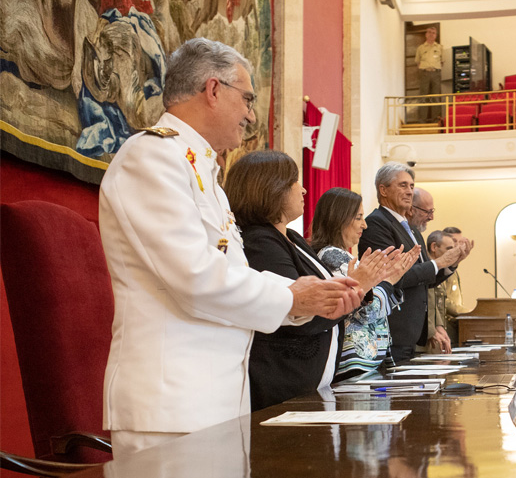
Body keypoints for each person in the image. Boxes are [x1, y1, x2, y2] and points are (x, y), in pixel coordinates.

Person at [98, 38, 360, 456]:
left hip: (215, 402)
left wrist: (300, 305)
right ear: (214, 89)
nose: (252, 114)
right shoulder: (151, 157)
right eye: (248, 99)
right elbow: (195, 277)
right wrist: (292, 295)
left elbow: (233, 277)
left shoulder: (204, 174)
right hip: (173, 406)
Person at [225, 150, 385, 410]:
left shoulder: (293, 237)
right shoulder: (260, 242)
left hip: (312, 380)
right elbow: (300, 313)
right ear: (270, 189)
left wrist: (358, 284)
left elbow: (324, 294)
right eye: (294, 181)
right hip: (282, 381)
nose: (304, 190)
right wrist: (358, 284)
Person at [358, 164, 464, 362]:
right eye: (403, 185)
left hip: (412, 334)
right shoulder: (377, 223)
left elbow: (425, 280)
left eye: (411, 186)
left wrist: (450, 264)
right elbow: (393, 277)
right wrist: (438, 262)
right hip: (393, 332)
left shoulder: (412, 229)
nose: (409, 191)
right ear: (383, 190)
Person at [310, 187, 418, 380]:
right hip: (354, 362)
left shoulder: (344, 256)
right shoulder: (332, 256)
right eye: (359, 217)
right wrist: (388, 281)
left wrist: (390, 278)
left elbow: (373, 302)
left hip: (365, 361)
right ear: (339, 218)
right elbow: (366, 310)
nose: (365, 225)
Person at [424, 230, 456, 353]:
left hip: (435, 334)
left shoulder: (440, 270)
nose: (452, 253)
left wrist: (439, 326)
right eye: (449, 249)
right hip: (424, 336)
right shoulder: (425, 267)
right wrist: (431, 330)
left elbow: (434, 304)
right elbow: (422, 300)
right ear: (434, 247)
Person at [441, 226, 474, 343]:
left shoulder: (453, 266)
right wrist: (468, 312)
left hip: (456, 324)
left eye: (461, 242)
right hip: (445, 326)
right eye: (455, 242)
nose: (459, 246)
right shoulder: (441, 266)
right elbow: (442, 300)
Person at [415, 27, 443, 122]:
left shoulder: (440, 47)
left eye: (434, 33)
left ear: (436, 35)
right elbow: (418, 62)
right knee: (423, 96)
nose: (431, 34)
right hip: (424, 73)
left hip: (436, 74)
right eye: (430, 32)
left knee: (436, 96)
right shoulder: (421, 48)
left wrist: (435, 69)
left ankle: (436, 119)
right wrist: (425, 69)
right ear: (426, 34)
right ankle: (422, 120)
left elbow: (442, 62)